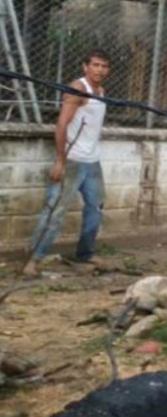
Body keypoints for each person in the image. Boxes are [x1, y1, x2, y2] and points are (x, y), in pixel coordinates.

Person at [22, 49, 111, 277]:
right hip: (72, 161)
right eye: (96, 65)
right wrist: (60, 161)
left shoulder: (100, 91)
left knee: (95, 208)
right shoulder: (78, 89)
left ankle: (86, 253)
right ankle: (33, 259)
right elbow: (61, 125)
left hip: (92, 161)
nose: (100, 70)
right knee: (54, 212)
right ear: (85, 67)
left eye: (104, 66)